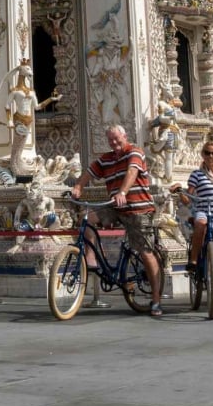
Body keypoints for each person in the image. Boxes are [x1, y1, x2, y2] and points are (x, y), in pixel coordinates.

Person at [70, 124, 164, 316]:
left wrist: (123, 191)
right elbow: (90, 172)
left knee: (145, 253)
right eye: (110, 140)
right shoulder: (107, 159)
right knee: (86, 219)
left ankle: (156, 300)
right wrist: (79, 186)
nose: (114, 143)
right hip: (116, 207)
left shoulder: (135, 152)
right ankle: (92, 256)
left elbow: (132, 172)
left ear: (125, 136)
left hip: (138, 209)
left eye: (116, 139)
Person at [177, 140, 213, 314]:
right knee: (200, 222)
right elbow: (189, 197)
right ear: (202, 154)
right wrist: (180, 192)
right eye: (207, 152)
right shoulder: (196, 174)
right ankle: (194, 260)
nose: (211, 156)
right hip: (203, 210)